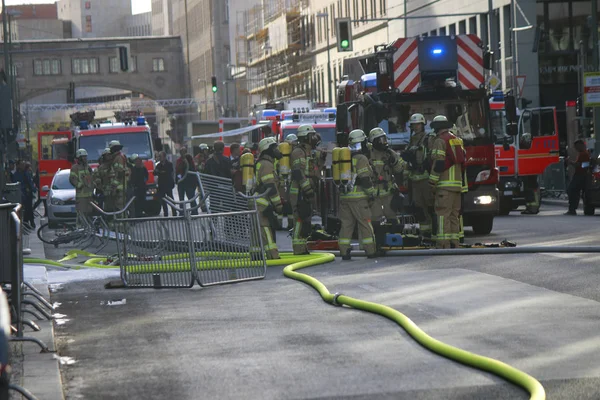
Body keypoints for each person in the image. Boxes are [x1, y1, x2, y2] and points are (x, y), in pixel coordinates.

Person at [428, 115, 468, 249]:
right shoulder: (456, 140)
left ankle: (443, 243)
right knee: (453, 215)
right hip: (457, 186)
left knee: (442, 215)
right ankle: (454, 242)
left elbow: (438, 163)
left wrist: (432, 182)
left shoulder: (440, 141)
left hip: (444, 186)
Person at [338, 130, 377, 260]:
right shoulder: (361, 158)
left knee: (346, 225)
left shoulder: (344, 157)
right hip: (359, 199)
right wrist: (372, 194)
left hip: (344, 197)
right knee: (365, 223)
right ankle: (370, 250)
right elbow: (365, 179)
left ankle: (344, 251)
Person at [368, 127, 406, 251]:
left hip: (389, 192)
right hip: (374, 193)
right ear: (374, 141)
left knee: (392, 217)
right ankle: (378, 243)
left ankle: (395, 241)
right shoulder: (368, 154)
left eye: (384, 139)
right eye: (380, 140)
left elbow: (400, 169)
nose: (384, 142)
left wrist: (394, 161)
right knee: (375, 219)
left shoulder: (390, 153)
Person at [403, 113, 436, 242]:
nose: (416, 127)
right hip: (414, 180)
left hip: (425, 179)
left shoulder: (428, 139)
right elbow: (407, 163)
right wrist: (406, 178)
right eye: (413, 125)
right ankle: (425, 234)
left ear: (423, 125)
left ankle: (434, 232)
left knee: (430, 206)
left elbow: (432, 158)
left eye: (418, 124)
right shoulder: (411, 140)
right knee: (419, 208)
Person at [290, 124, 320, 255]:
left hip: (307, 191)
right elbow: (298, 173)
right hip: (299, 192)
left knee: (306, 220)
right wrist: (307, 188)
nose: (314, 137)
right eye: (311, 135)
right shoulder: (298, 152)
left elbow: (314, 172)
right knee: (299, 220)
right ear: (305, 137)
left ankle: (303, 246)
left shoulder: (308, 152)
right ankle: (298, 248)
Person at [253, 137, 284, 259]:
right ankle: (273, 255)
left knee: (256, 230)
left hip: (257, 201)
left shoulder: (265, 163)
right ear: (268, 149)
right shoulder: (266, 165)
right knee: (265, 228)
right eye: (274, 147)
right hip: (262, 202)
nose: (277, 150)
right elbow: (270, 186)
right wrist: (278, 205)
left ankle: (256, 255)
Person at [69, 149, 94, 226]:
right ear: (79, 158)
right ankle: (80, 230)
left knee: (89, 214)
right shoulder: (75, 168)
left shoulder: (88, 168)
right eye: (83, 157)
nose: (85, 159)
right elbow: (72, 179)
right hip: (81, 197)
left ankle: (89, 229)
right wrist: (79, 185)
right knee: (81, 215)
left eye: (85, 157)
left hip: (89, 196)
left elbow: (91, 179)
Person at [565, 139, 590, 215]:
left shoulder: (583, 154)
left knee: (571, 190)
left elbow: (581, 165)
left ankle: (572, 209)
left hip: (580, 175)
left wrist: (570, 162)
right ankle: (573, 208)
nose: (575, 148)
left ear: (580, 145)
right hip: (582, 175)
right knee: (577, 192)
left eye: (576, 146)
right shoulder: (584, 153)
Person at [107, 140, 129, 213]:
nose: (110, 151)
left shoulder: (118, 158)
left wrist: (114, 186)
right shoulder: (119, 157)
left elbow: (119, 173)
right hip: (120, 186)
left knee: (120, 207)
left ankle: (121, 223)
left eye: (111, 149)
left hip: (119, 187)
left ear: (114, 149)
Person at [175, 147, 198, 215]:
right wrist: (177, 180)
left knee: (191, 197)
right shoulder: (179, 161)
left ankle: (194, 211)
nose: (182, 154)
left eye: (184, 152)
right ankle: (182, 212)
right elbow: (177, 170)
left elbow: (192, 169)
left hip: (189, 182)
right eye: (181, 152)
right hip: (181, 182)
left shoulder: (189, 159)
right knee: (181, 198)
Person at [154, 151, 176, 216]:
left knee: (171, 199)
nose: (159, 158)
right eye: (159, 157)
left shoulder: (169, 164)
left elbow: (169, 172)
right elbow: (154, 173)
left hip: (168, 184)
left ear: (164, 157)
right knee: (163, 200)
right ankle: (165, 214)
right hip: (161, 185)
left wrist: (160, 172)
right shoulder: (158, 165)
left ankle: (174, 213)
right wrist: (158, 172)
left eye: (160, 156)